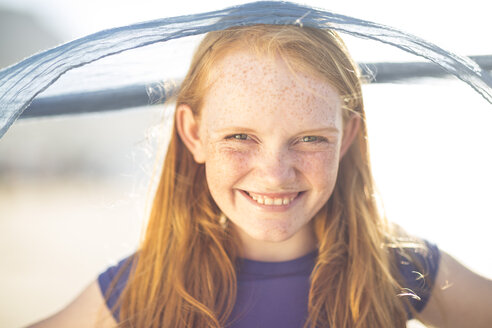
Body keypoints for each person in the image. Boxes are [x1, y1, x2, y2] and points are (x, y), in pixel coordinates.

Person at [27, 24, 492, 328]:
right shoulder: (144, 286)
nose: (274, 174)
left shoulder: (396, 266)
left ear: (347, 136)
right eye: (240, 137)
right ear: (193, 134)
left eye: (311, 139)